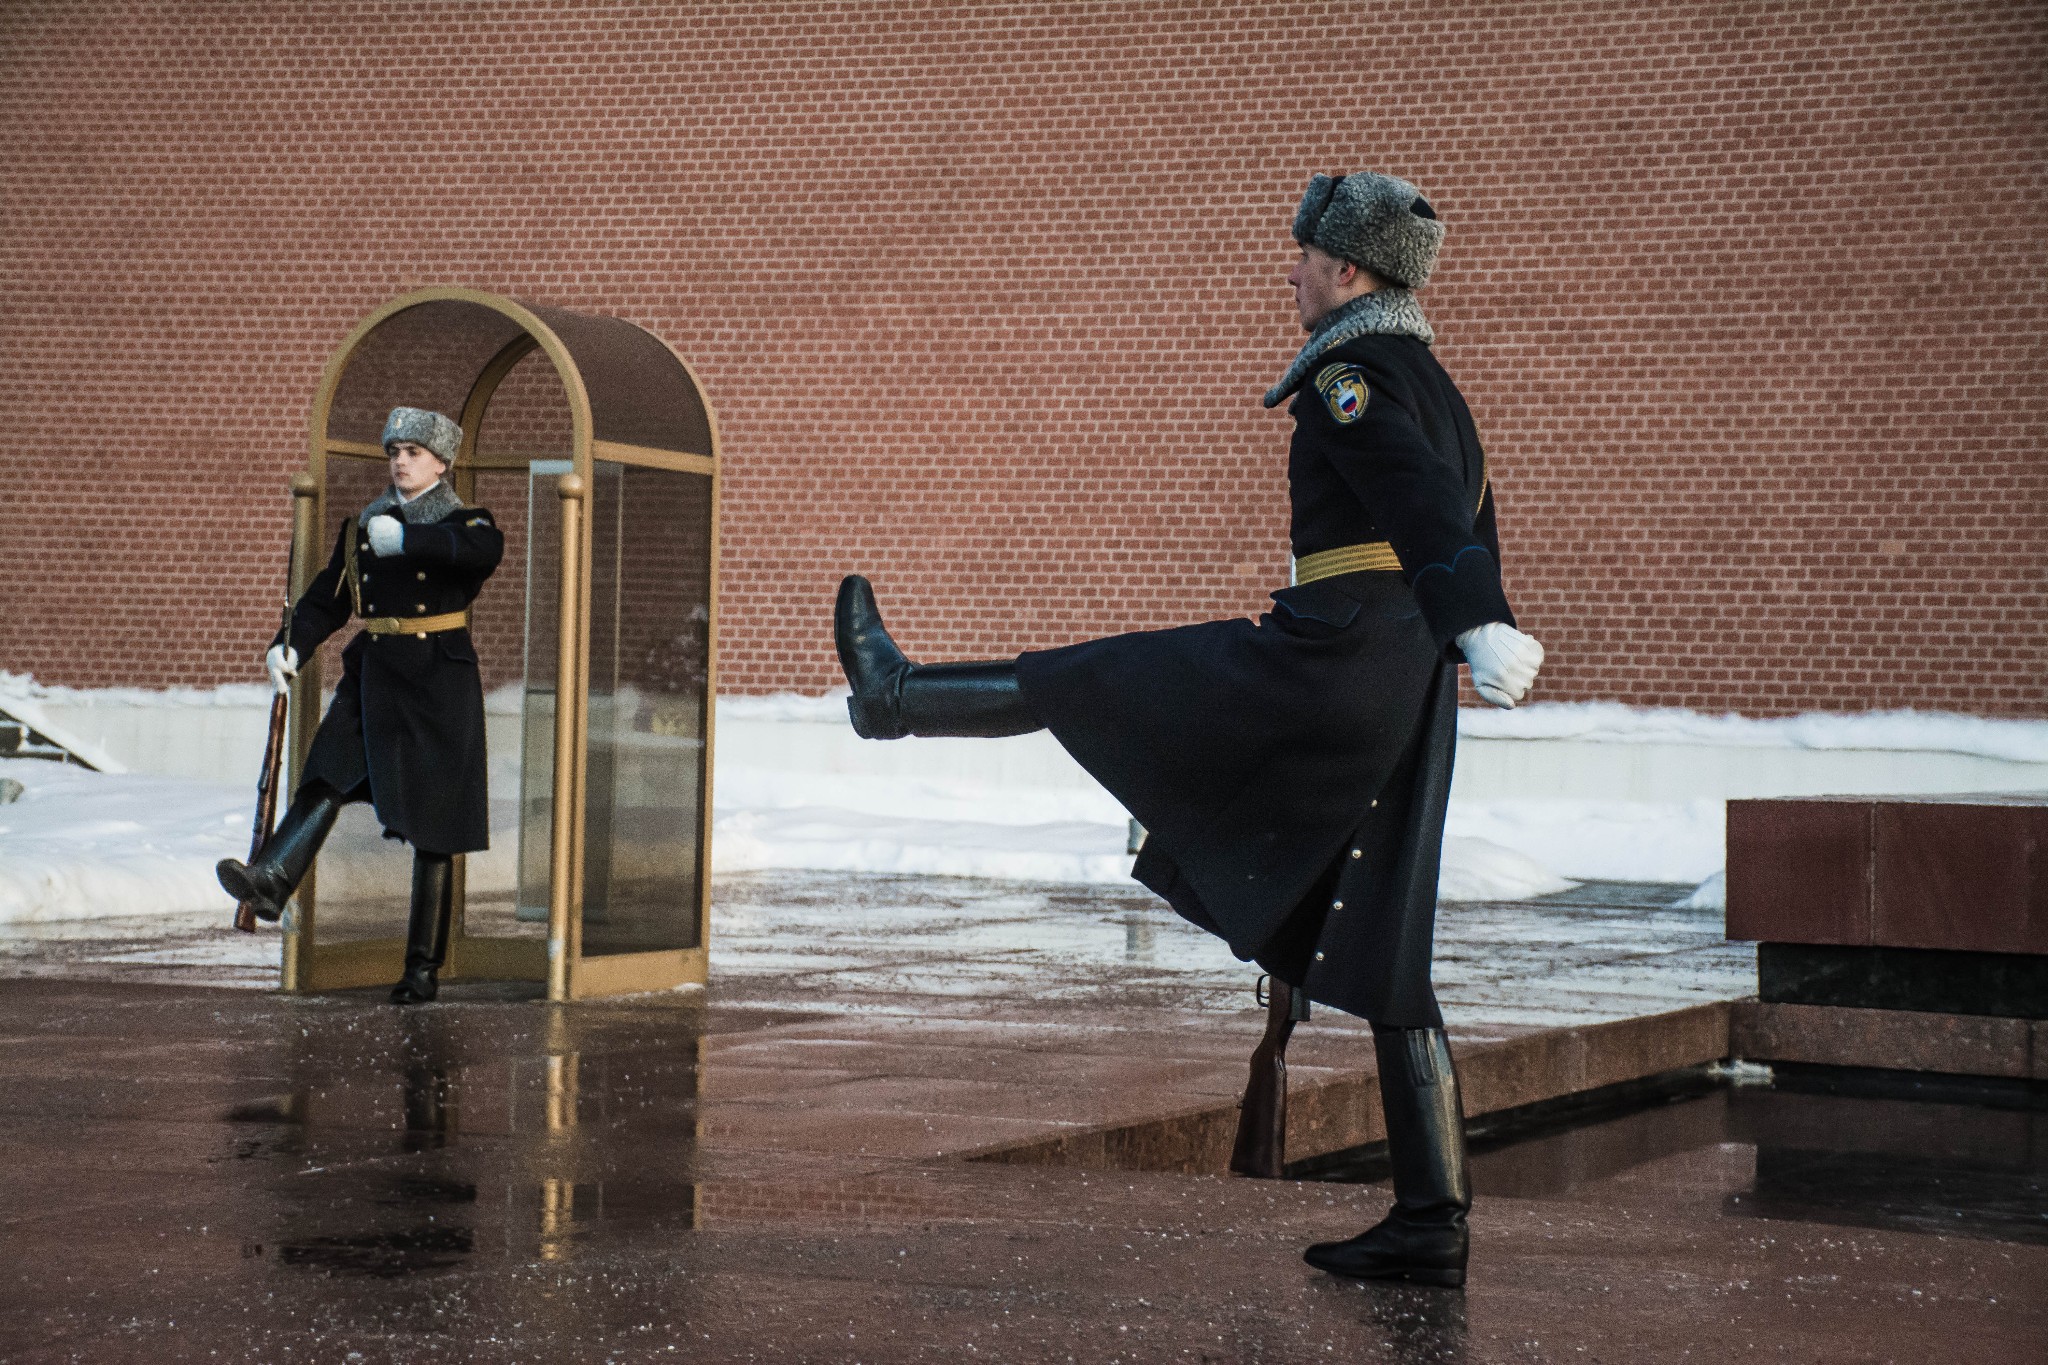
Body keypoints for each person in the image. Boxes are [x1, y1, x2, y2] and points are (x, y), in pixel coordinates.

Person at [834, 171, 1544, 1286]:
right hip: (1398, 684)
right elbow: (1460, 517)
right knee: (1383, 940)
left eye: (1305, 253)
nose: (1292, 269)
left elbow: (1411, 501)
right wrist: (1465, 629)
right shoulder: (1439, 383)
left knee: (1099, 681)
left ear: (1347, 271)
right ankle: (1430, 1217)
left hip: (1331, 657)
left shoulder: (1353, 373)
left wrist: (1479, 616)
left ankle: (895, 697)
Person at [217, 407, 504, 1005]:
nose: (400, 461)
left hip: (436, 684)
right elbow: (327, 600)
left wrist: (412, 539)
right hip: (372, 674)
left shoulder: (464, 520)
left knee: (434, 827)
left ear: (442, 463)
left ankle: (421, 971)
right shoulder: (363, 528)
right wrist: (288, 646)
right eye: (394, 451)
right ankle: (272, 879)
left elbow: (480, 552)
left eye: (414, 452)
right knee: (327, 773)